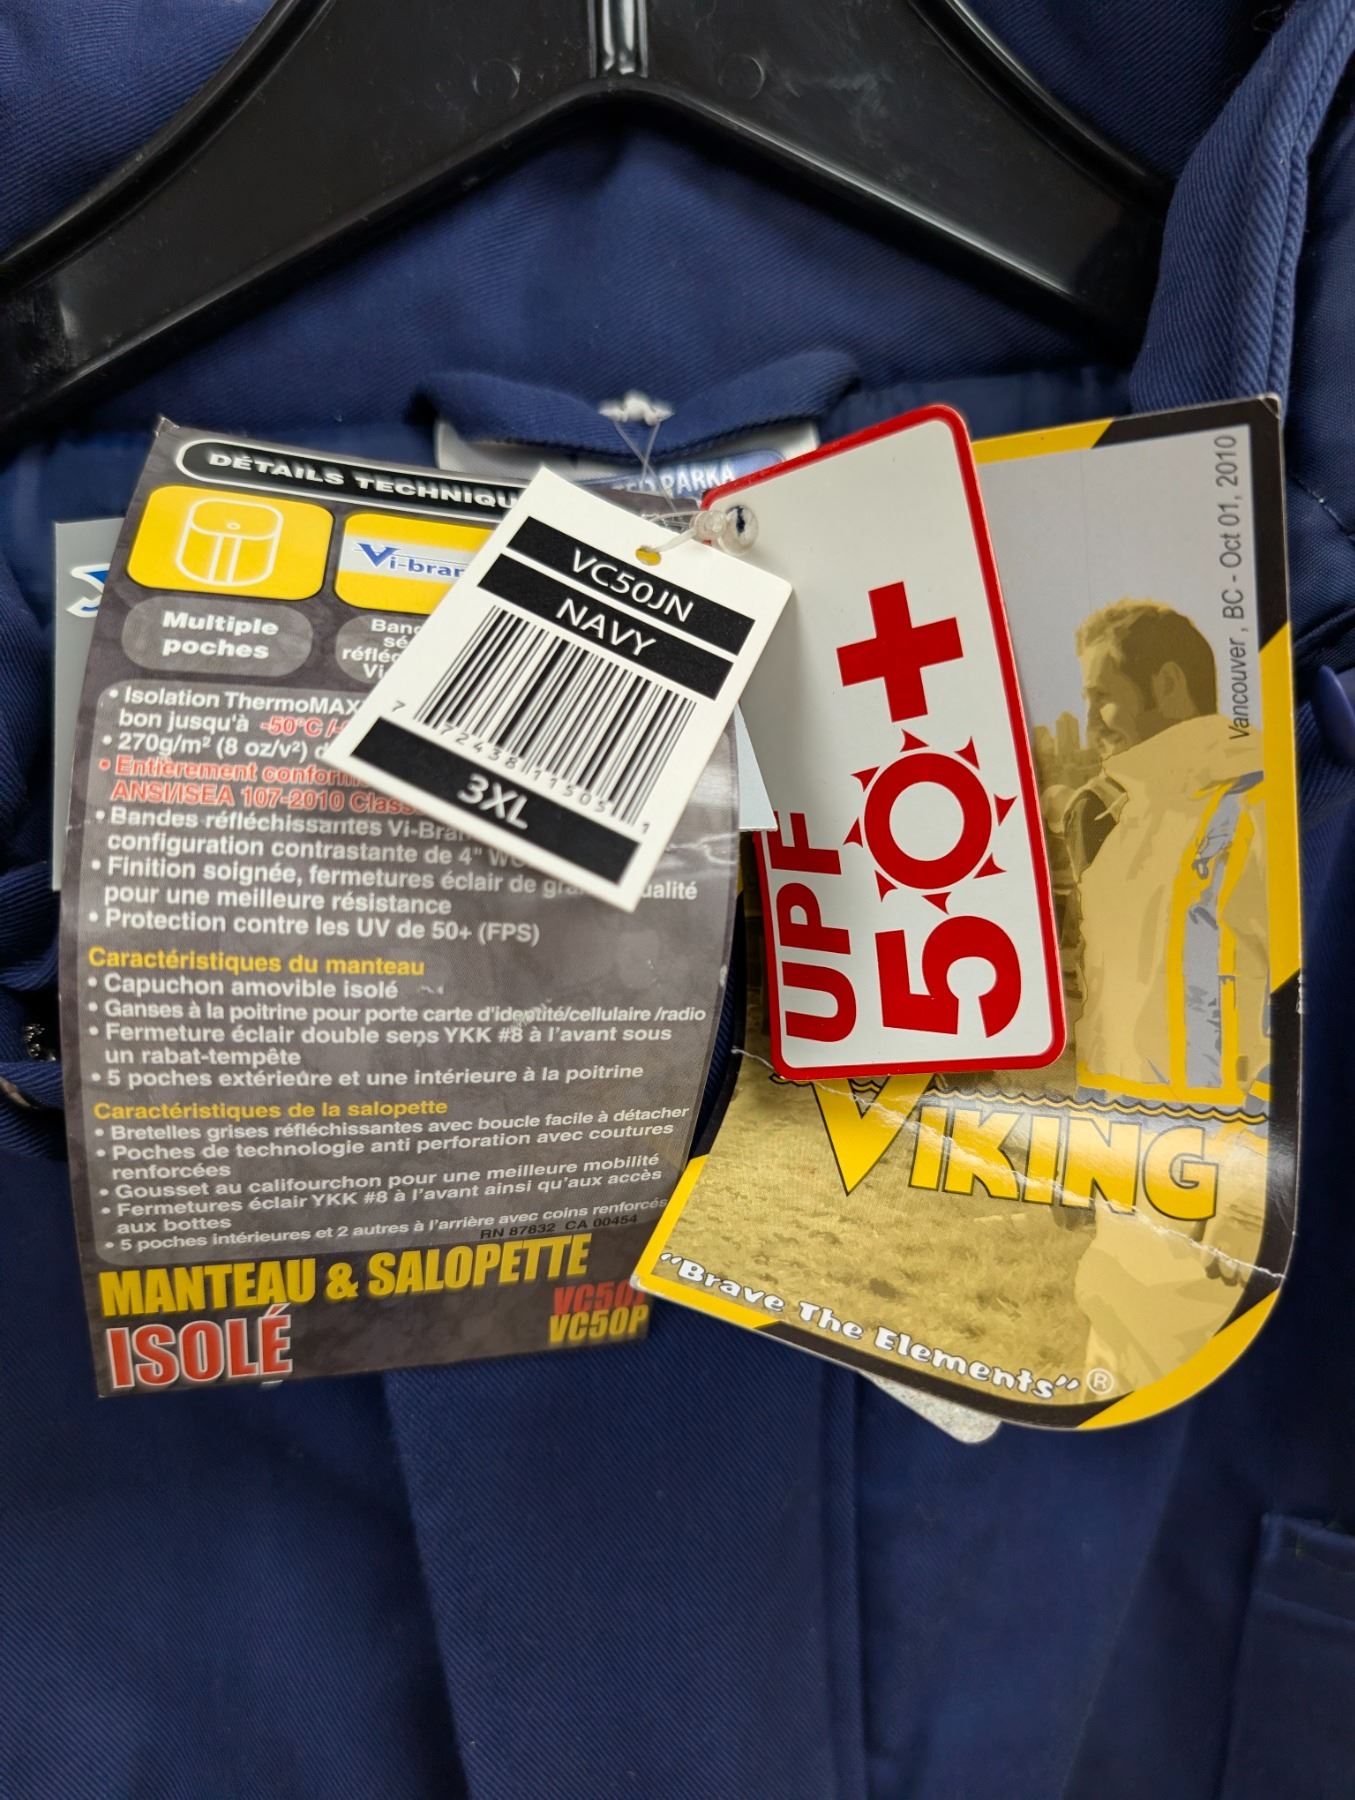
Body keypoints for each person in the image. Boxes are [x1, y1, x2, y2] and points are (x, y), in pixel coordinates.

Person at [1065, 599, 1269, 1391]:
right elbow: (1113, 1008)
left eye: (1103, 696)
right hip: (1126, 1186)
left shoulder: (1261, 799)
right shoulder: (1122, 826)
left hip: (1219, 1208)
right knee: (1111, 1397)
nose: (1092, 722)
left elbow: (1301, 1004)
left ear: (1170, 683)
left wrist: (1253, 1192)